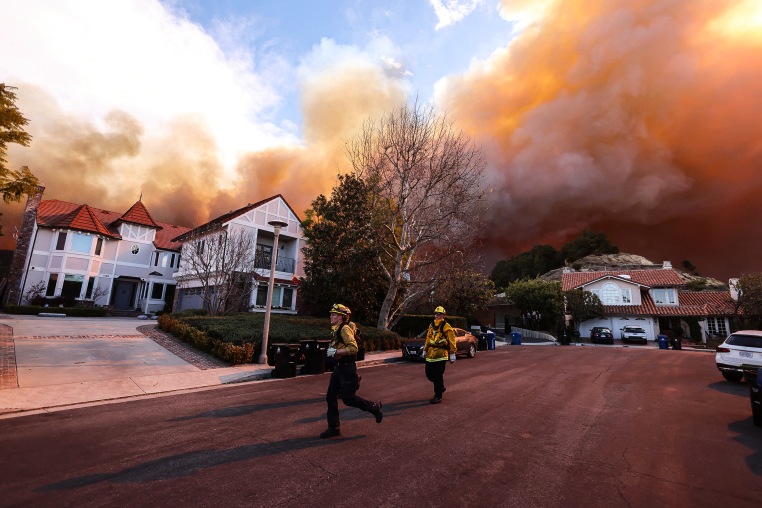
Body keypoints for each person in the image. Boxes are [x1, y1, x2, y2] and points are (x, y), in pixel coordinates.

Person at [320, 303, 383, 438]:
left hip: (347, 368)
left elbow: (353, 348)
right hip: (339, 368)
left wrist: (336, 351)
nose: (331, 316)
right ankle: (334, 428)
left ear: (341, 317)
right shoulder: (337, 328)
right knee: (330, 397)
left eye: (334, 314)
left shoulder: (344, 330)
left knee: (348, 399)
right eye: (331, 314)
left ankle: (374, 407)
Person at [423, 306, 457, 404]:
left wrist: (452, 353)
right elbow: (428, 338)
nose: (437, 315)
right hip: (430, 354)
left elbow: (452, 340)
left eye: (439, 314)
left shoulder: (446, 326)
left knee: (438, 375)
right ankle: (440, 386)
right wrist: (425, 349)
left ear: (443, 315)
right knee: (429, 374)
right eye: (436, 313)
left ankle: (438, 395)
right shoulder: (431, 325)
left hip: (441, 354)